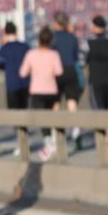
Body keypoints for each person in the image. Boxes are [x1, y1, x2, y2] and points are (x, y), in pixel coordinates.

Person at [20, 26, 64, 162]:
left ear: (38, 39)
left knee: (42, 119)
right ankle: (53, 141)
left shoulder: (31, 54)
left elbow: (22, 73)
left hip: (37, 90)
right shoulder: (54, 54)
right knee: (51, 117)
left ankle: (49, 143)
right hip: (52, 90)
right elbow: (59, 72)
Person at [86, 15, 108, 156]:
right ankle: (107, 136)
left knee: (98, 108)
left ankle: (104, 140)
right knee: (105, 107)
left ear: (94, 26)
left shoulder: (88, 43)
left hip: (95, 79)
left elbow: (82, 60)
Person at [51, 11, 82, 142]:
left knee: (55, 102)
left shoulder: (53, 38)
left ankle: (56, 130)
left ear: (57, 23)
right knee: (71, 100)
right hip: (70, 71)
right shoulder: (73, 38)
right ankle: (75, 127)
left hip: (56, 71)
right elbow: (76, 57)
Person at [0, 22, 30, 111]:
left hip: (12, 85)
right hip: (25, 84)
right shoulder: (25, 47)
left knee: (14, 115)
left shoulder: (4, 49)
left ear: (5, 33)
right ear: (16, 32)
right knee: (24, 112)